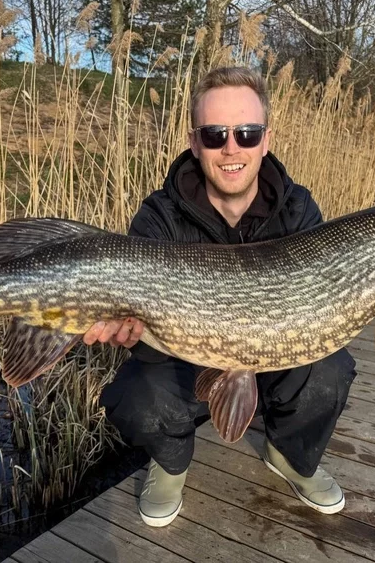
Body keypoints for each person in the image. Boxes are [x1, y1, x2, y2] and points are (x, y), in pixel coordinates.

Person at [82, 67, 357, 527]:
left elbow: (321, 301)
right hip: (186, 358)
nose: (232, 148)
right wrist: (127, 332)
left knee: (330, 368)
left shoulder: (298, 209)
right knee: (138, 392)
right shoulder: (159, 217)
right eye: (215, 134)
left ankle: (290, 456)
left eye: (247, 133)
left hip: (274, 356)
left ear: (265, 141)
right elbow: (143, 333)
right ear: (195, 143)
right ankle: (170, 464)